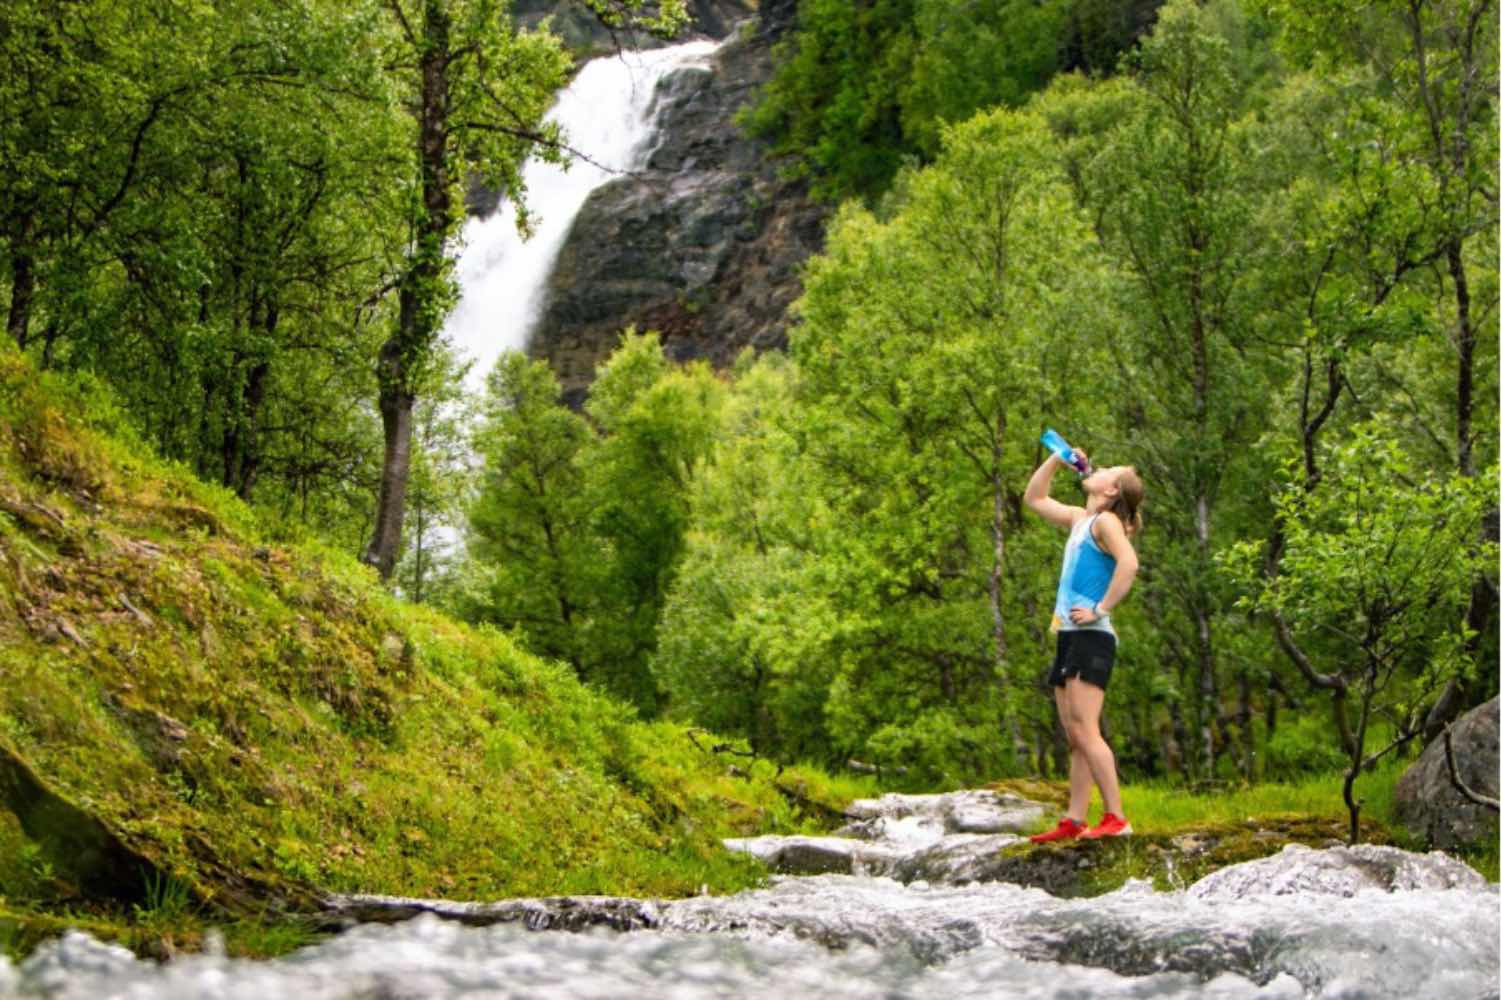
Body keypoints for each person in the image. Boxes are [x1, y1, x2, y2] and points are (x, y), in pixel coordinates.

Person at [1023, 447, 1143, 841]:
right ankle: (1074, 821)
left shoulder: (1106, 522)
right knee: (1075, 734)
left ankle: (1116, 818)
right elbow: (1034, 498)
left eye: (1109, 469)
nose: (1099, 467)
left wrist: (1100, 609)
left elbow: (1129, 564)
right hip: (1070, 636)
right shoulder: (1081, 519)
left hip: (1092, 636)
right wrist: (1056, 460)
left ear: (1111, 491)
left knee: (1087, 731)